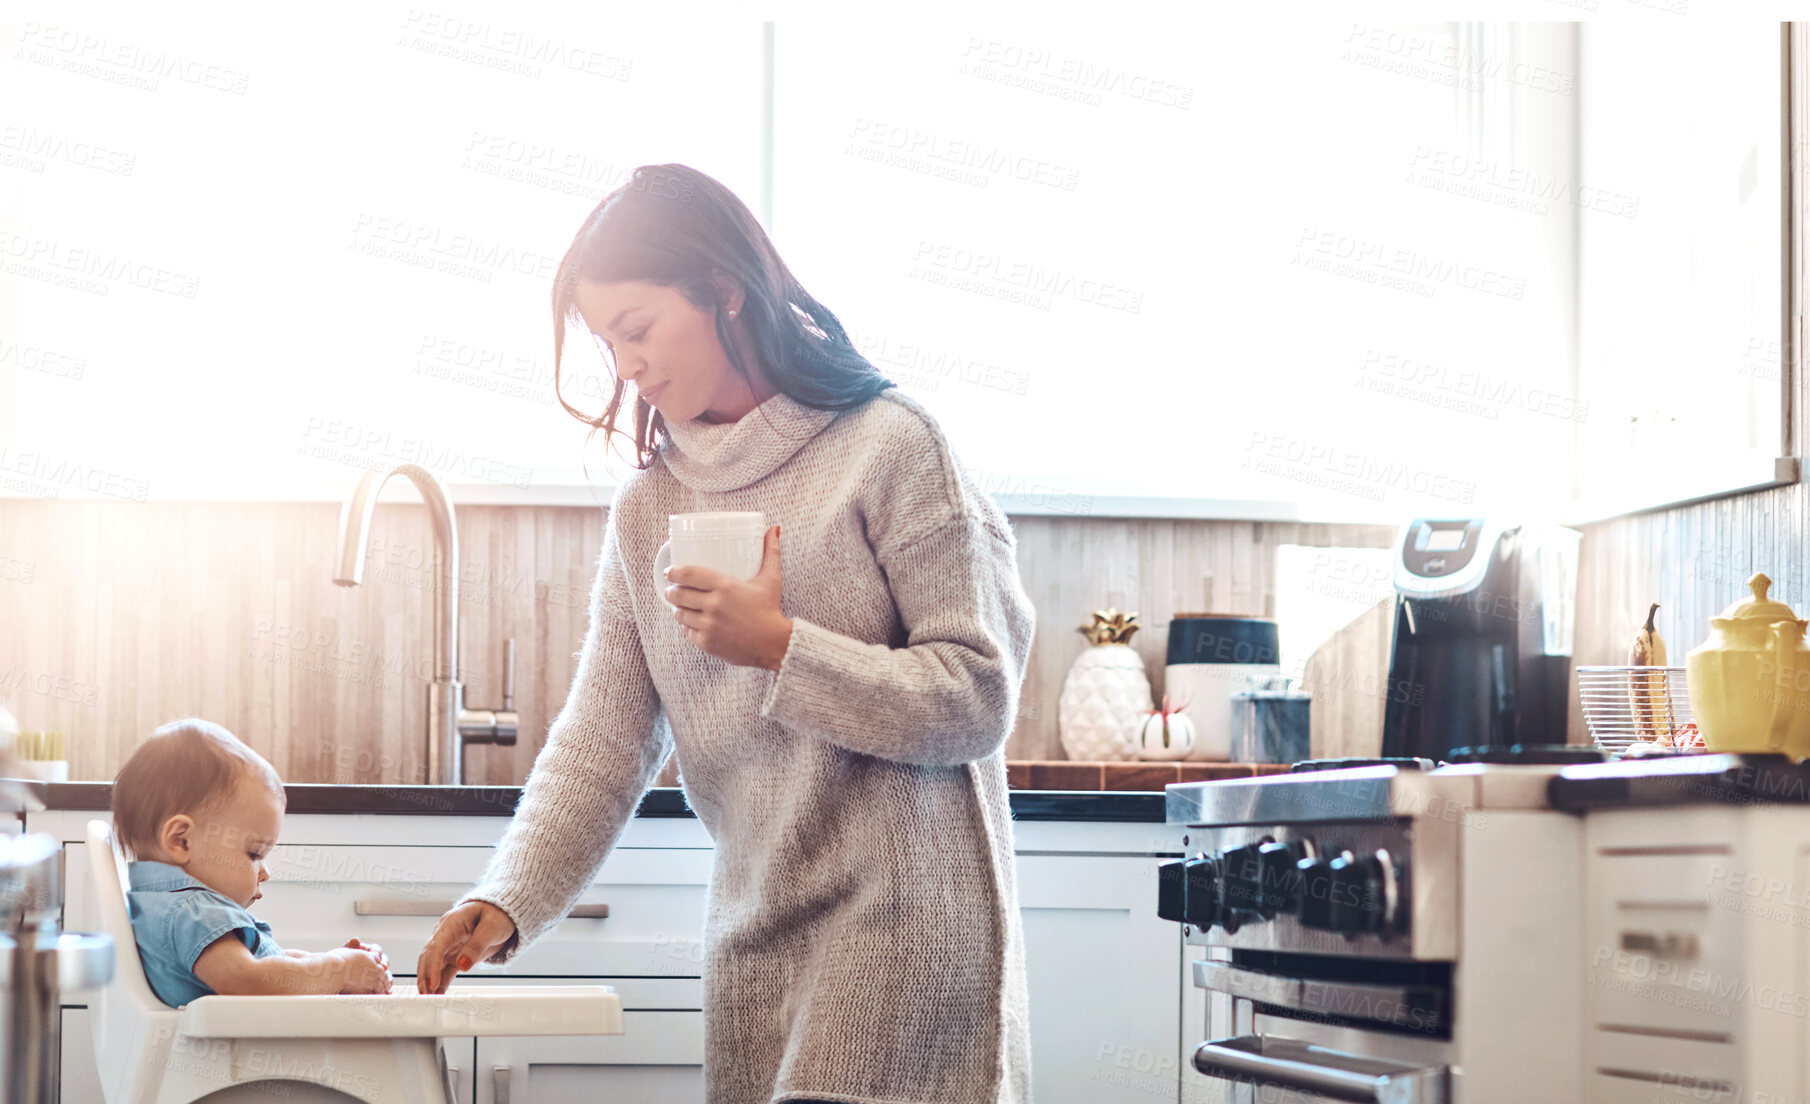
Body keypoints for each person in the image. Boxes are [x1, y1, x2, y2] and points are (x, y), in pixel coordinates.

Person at [416, 163, 1037, 1104]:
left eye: (638, 329)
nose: (624, 366)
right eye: (607, 343)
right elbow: (605, 738)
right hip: (756, 936)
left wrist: (783, 648)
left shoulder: (893, 446)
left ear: (724, 292)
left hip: (907, 935)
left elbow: (977, 697)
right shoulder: (650, 505)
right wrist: (507, 899)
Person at [112, 717, 392, 1004]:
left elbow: (268, 963)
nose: (265, 873)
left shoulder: (161, 907)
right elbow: (250, 979)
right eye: (254, 854)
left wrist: (330, 963)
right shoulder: (193, 910)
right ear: (182, 840)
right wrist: (341, 971)